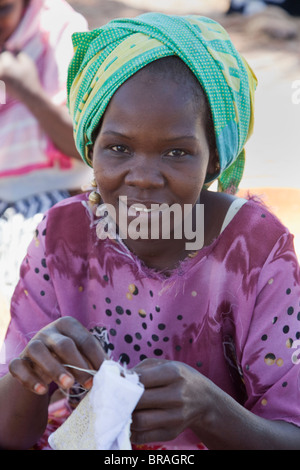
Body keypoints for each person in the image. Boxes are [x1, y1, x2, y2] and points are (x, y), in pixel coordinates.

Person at [0, 12, 299, 450]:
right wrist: (32, 374)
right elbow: (10, 435)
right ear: (90, 146)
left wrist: (209, 408)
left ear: (214, 159)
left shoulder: (256, 253)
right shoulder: (62, 238)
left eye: (177, 152)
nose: (143, 177)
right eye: (118, 148)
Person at [0, 0, 92, 310]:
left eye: (3, 9)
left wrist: (28, 90)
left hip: (50, 198)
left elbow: (87, 146)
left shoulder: (62, 32)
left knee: (27, 289)